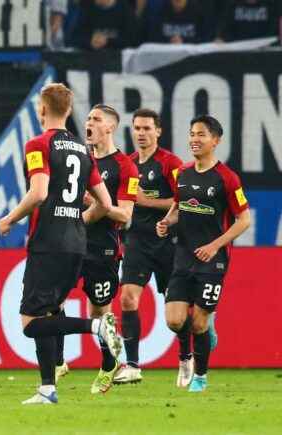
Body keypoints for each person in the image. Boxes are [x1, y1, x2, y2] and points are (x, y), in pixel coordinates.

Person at [0, 83, 121, 405]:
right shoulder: (83, 149)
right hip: (77, 242)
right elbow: (105, 204)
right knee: (49, 313)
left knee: (30, 323)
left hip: (48, 241)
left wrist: (10, 218)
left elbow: (38, 193)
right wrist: (77, 220)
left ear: (41, 110)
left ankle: (97, 327)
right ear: (68, 111)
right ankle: (47, 389)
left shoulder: (38, 144)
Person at [156, 115, 251, 393]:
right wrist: (166, 222)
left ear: (215, 141)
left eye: (201, 135)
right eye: (191, 134)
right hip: (183, 256)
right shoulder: (182, 173)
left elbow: (244, 220)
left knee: (198, 323)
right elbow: (179, 206)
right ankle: (198, 339)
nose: (194, 139)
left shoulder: (227, 178)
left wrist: (215, 245)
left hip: (213, 260)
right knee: (174, 320)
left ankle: (200, 377)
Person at [55, 105, 138, 394]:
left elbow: (125, 215)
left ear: (110, 127)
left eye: (96, 119)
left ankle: (111, 364)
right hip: (72, 242)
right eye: (88, 118)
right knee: (53, 296)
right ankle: (58, 360)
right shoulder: (79, 159)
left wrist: (97, 205)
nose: (89, 123)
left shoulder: (125, 166)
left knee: (99, 312)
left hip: (103, 249)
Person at [115, 109, 188, 386]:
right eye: (137, 128)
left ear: (158, 131)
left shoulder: (171, 163)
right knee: (127, 299)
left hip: (168, 243)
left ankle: (185, 357)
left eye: (147, 128)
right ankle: (132, 365)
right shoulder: (129, 164)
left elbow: (183, 201)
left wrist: (148, 203)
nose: (141, 133)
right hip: (136, 242)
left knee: (177, 314)